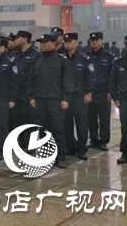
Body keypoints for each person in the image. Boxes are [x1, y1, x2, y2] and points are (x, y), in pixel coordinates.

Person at [29, 34, 74, 169]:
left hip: (56, 100)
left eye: (45, 42)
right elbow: (31, 80)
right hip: (40, 100)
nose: (41, 45)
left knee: (58, 129)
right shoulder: (36, 59)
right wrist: (31, 96)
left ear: (53, 44)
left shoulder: (61, 60)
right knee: (43, 129)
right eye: (40, 42)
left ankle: (60, 157)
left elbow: (68, 80)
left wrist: (65, 98)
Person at [63, 33, 95, 160]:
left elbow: (91, 78)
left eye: (70, 41)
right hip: (65, 97)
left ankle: (82, 149)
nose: (67, 43)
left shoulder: (84, 59)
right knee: (66, 124)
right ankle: (71, 146)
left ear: (76, 42)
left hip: (79, 96)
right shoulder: (61, 58)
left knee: (82, 123)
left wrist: (89, 93)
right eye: (65, 41)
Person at [110, 34, 127, 164]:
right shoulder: (119, 62)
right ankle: (126, 154)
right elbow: (112, 81)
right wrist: (115, 98)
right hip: (124, 101)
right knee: (126, 128)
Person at [86, 32, 114, 151]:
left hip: (103, 92)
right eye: (92, 40)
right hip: (90, 93)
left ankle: (103, 141)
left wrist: (110, 91)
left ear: (102, 40)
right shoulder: (86, 57)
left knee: (104, 119)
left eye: (96, 39)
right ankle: (93, 139)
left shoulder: (109, 56)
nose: (94, 42)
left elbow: (112, 76)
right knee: (91, 118)